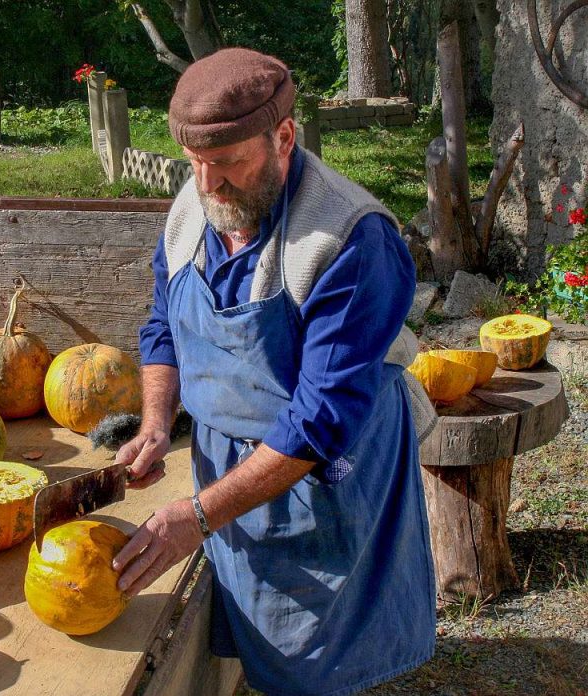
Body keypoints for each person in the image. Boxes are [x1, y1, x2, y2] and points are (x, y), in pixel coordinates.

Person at [111, 47, 438, 696]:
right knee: (254, 641)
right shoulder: (192, 210)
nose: (207, 185)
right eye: (196, 164)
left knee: (327, 659)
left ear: (283, 136)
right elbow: (162, 327)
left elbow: (318, 423)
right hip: (229, 470)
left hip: (327, 480)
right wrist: (155, 422)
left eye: (228, 162)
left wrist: (197, 516)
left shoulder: (348, 240)